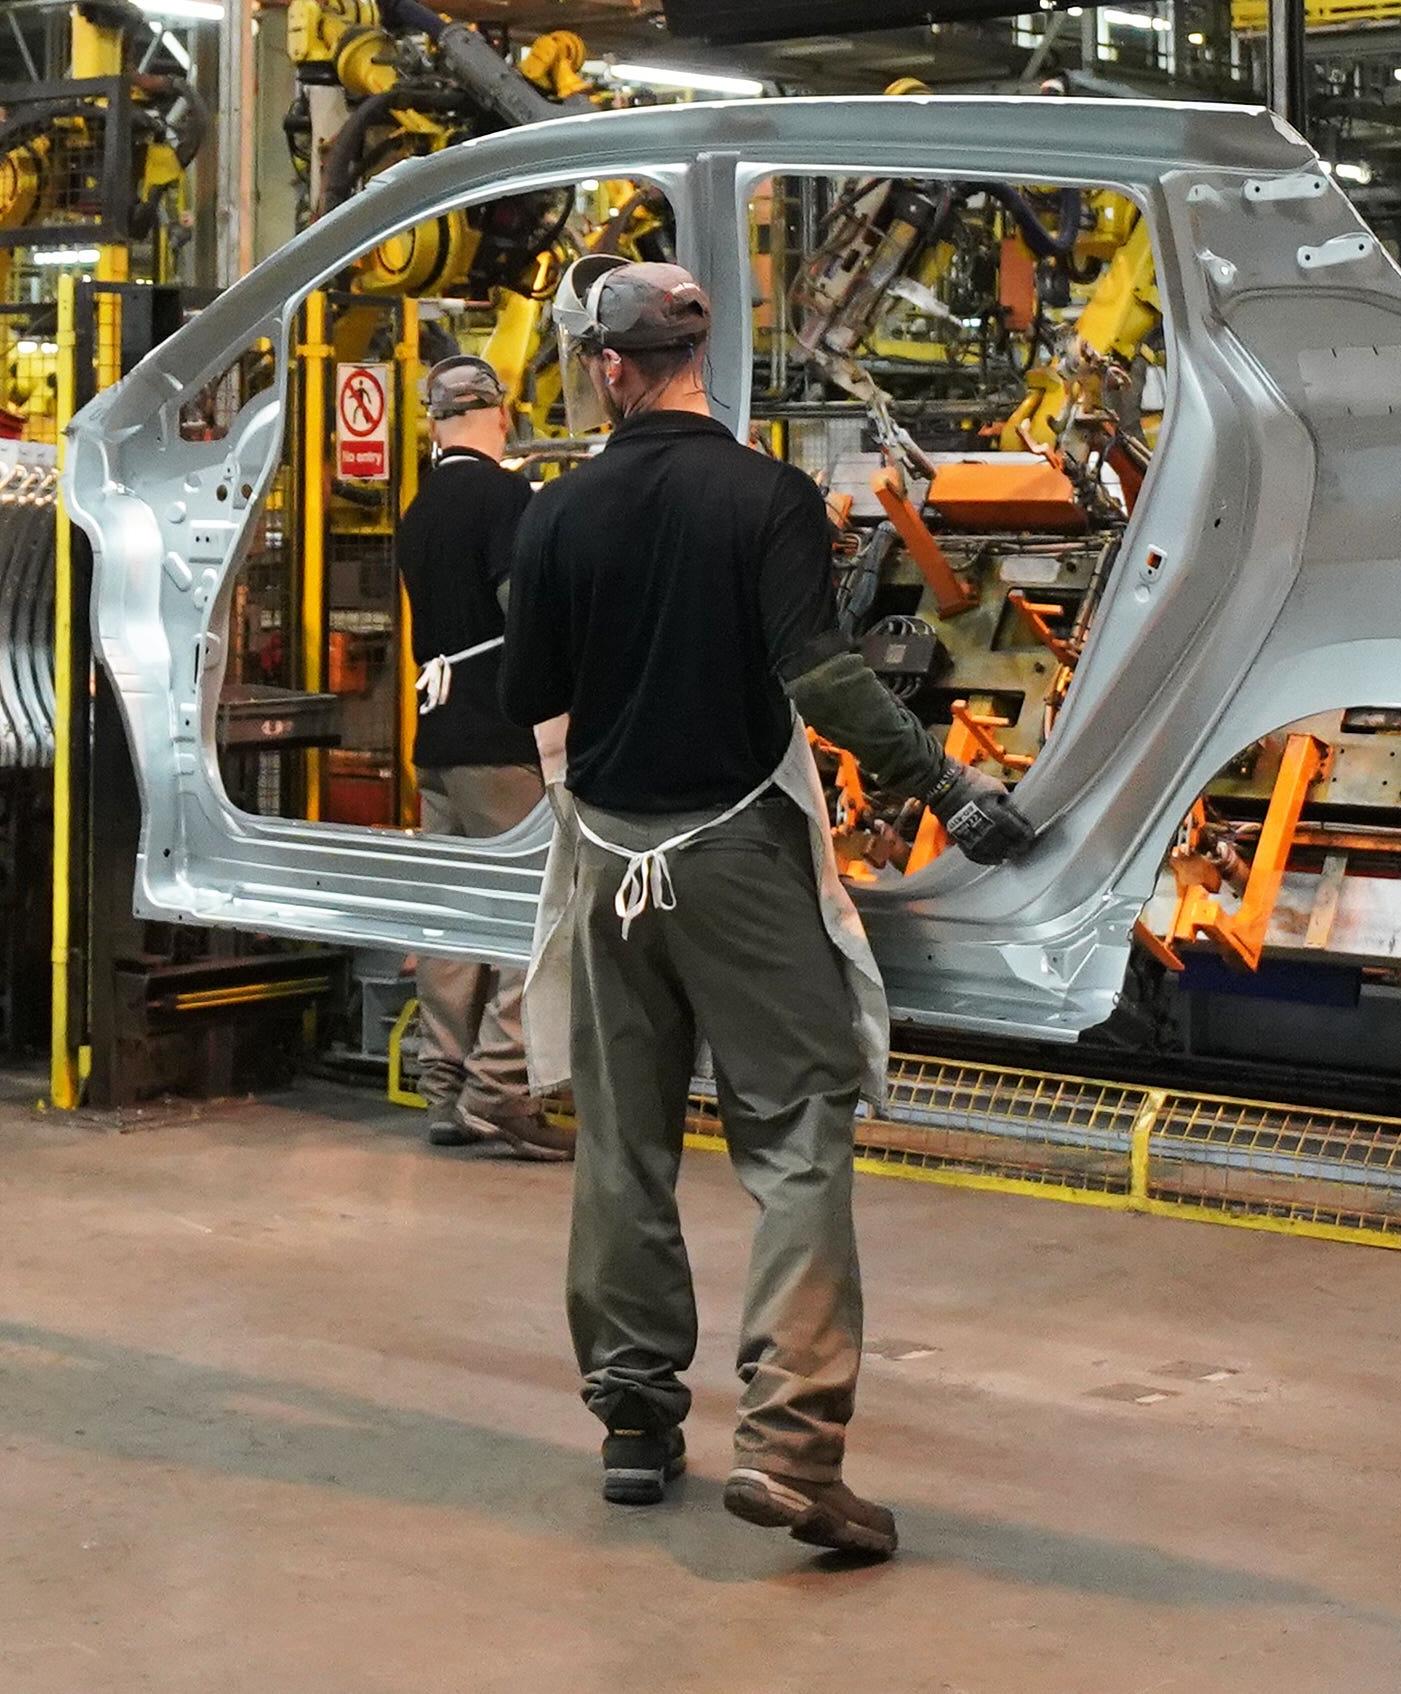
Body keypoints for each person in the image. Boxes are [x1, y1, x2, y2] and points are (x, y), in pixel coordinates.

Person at [499, 259, 1033, 1559]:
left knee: (623, 1139)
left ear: (609, 368)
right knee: (795, 1136)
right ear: (697, 359)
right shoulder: (769, 497)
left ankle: (634, 1425)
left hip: (609, 862)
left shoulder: (557, 514)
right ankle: (790, 1448)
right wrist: (948, 788)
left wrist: (597, 783)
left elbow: (534, 702)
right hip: (736, 853)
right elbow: (824, 678)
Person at [391, 353, 572, 1163]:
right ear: (500, 415)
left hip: (436, 736)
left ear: (435, 424)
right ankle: (499, 1089)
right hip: (500, 738)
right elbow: (519, 607)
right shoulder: (504, 497)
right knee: (533, 911)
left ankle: (443, 1088)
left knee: (452, 918)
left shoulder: (420, 507)